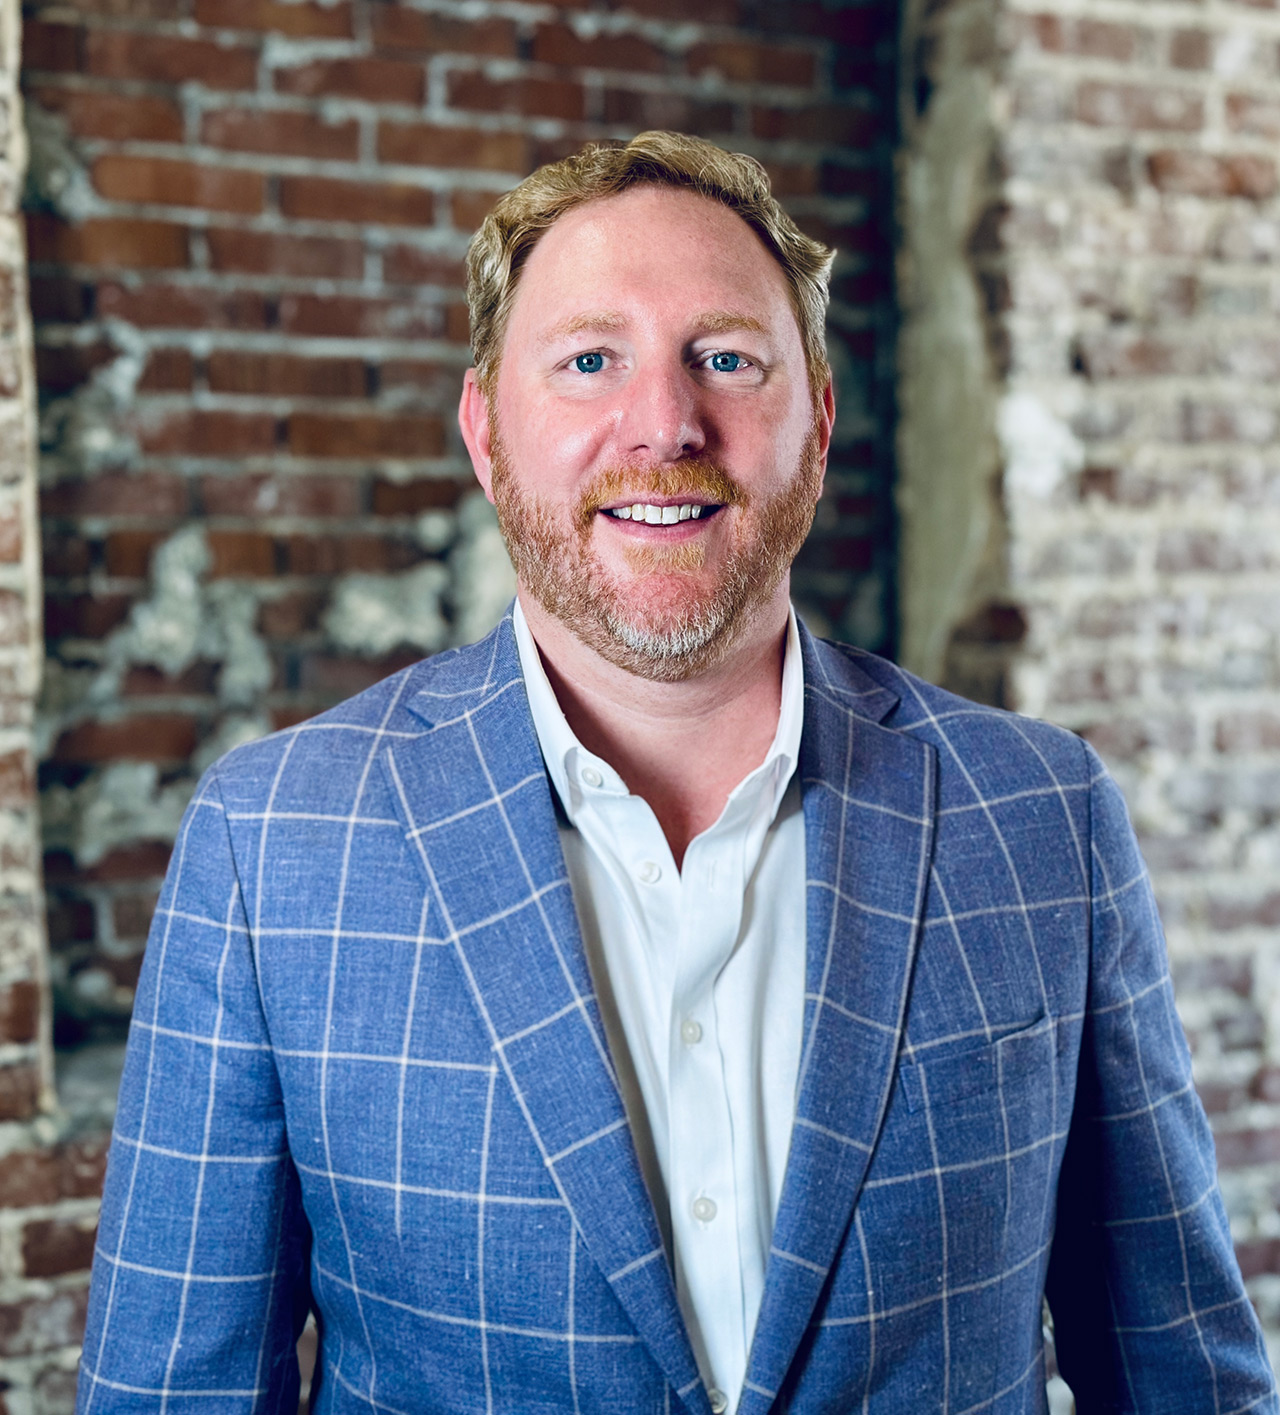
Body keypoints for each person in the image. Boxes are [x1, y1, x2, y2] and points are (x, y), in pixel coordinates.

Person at [75, 131, 1276, 1415]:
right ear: (484, 428)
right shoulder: (275, 845)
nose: (662, 422)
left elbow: (1179, 1373)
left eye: (725, 358)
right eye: (589, 360)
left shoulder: (1044, 815)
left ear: (813, 420)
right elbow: (169, 1394)